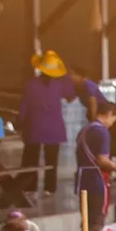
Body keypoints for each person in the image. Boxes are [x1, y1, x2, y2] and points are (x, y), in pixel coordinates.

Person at [20, 50, 74, 196]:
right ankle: (50, 188)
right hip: (54, 127)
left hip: (34, 126)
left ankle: (28, 186)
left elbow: (24, 106)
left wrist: (21, 124)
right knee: (52, 160)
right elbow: (71, 96)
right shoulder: (60, 84)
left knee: (31, 159)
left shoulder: (31, 83)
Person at [75, 100, 116, 231]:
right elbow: (102, 160)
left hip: (82, 179)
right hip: (96, 180)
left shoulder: (84, 130)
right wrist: (115, 167)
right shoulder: (102, 132)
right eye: (114, 118)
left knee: (86, 218)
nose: (112, 123)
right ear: (108, 114)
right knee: (97, 219)